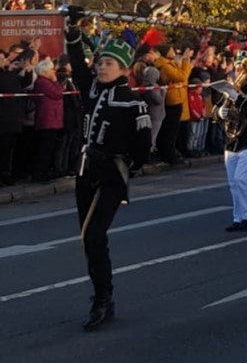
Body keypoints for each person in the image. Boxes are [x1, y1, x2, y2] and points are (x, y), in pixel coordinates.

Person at [65, 20, 151, 330]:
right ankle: (102, 294)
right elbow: (78, 63)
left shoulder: (133, 102)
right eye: (101, 62)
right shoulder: (92, 90)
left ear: (124, 69)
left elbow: (143, 145)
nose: (102, 67)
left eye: (109, 63)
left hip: (112, 175)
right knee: (88, 240)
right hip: (85, 171)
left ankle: (103, 298)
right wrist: (73, 33)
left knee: (94, 234)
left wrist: (130, 166)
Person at [214, 52, 247, 232]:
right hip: (231, 140)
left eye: (243, 68)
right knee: (233, 182)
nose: (240, 72)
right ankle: (238, 217)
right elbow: (215, 111)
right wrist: (220, 113)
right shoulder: (230, 89)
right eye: (237, 68)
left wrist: (238, 98)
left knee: (241, 178)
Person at [32, 59, 64, 183]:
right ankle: (41, 174)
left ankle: (44, 172)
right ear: (45, 71)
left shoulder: (44, 82)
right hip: (47, 119)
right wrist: (56, 81)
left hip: (51, 119)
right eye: (51, 69)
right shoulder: (43, 83)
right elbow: (57, 93)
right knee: (45, 149)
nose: (53, 72)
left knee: (48, 148)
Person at [0, 49, 25, 186]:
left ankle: (6, 174)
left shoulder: (9, 74)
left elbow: (20, 86)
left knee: (8, 149)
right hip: (3, 117)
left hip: (12, 118)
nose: (3, 61)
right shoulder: (4, 75)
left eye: (3, 59)